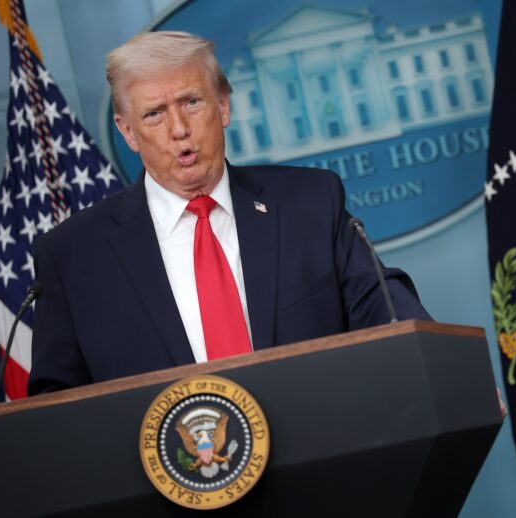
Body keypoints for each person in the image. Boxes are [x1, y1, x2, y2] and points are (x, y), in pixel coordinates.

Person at [27, 31, 431, 395]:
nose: (179, 129)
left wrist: (439, 371)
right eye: (154, 114)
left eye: (191, 102)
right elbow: (56, 404)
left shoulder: (309, 202)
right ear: (128, 132)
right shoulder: (74, 255)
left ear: (222, 107)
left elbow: (383, 305)